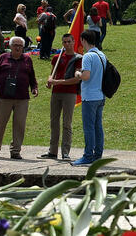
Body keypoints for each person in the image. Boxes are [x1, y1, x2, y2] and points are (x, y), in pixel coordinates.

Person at [0, 36, 38, 159]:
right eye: (15, 45)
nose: (18, 48)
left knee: (19, 124)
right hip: (4, 97)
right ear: (10, 46)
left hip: (22, 98)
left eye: (20, 46)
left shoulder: (27, 59)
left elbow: (32, 76)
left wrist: (34, 87)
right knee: (0, 123)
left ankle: (15, 150)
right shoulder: (3, 58)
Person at [41, 33, 82, 160]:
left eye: (69, 41)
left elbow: (76, 80)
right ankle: (52, 151)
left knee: (67, 123)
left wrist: (57, 82)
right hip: (56, 93)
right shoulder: (57, 57)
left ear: (74, 42)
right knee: (54, 122)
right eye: (64, 42)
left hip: (70, 93)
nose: (67, 44)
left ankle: (65, 152)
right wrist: (49, 81)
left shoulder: (78, 58)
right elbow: (52, 74)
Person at [73, 30, 106, 166]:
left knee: (89, 127)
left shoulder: (87, 56)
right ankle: (98, 154)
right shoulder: (101, 55)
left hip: (89, 97)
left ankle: (88, 155)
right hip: (100, 95)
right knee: (98, 126)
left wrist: (78, 74)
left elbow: (86, 76)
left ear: (83, 40)